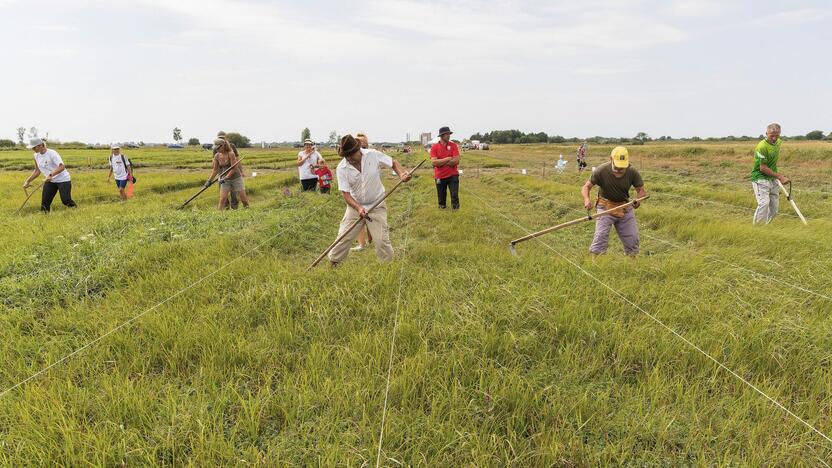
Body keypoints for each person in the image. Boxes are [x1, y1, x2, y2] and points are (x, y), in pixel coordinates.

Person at [328, 134, 412, 266]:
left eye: (351, 155)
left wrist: (402, 174)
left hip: (377, 204)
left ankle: (388, 267)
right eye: (346, 156)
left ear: (358, 149)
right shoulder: (342, 168)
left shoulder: (372, 155)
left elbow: (393, 163)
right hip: (355, 207)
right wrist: (358, 208)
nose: (349, 158)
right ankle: (335, 263)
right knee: (343, 237)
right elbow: (346, 195)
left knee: (381, 240)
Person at [581, 146, 647, 256]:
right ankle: (595, 263)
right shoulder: (601, 170)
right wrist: (587, 200)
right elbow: (586, 187)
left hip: (624, 207)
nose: (620, 169)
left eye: (622, 167)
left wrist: (637, 200)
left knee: (632, 237)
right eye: (617, 166)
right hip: (605, 206)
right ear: (611, 159)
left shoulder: (632, 172)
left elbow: (641, 191)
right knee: (601, 236)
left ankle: (633, 263)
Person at [22, 138, 77, 213]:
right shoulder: (36, 155)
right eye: (32, 147)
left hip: (63, 180)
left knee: (66, 200)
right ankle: (44, 219)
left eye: (34, 147)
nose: (32, 149)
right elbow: (37, 171)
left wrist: (51, 175)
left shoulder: (52, 153)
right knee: (44, 204)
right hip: (50, 181)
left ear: (41, 145)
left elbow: (61, 167)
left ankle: (76, 210)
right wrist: (28, 181)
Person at [751, 123, 789, 225]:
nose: (774, 138)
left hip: (772, 178)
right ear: (766, 133)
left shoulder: (778, 142)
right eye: (771, 135)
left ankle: (765, 228)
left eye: (777, 135)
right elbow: (763, 168)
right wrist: (780, 176)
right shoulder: (762, 147)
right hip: (760, 178)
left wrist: (777, 177)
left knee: (774, 209)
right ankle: (756, 229)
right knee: (764, 203)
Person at [205, 138, 249, 210]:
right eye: (215, 148)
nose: (216, 150)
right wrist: (209, 181)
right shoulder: (217, 156)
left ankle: (248, 212)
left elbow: (234, 168)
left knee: (243, 198)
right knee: (222, 199)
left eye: (218, 148)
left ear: (223, 146)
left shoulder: (231, 154)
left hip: (236, 178)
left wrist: (226, 177)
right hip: (225, 179)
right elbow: (215, 170)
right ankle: (219, 217)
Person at [430, 126, 461, 210]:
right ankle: (442, 211)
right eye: (446, 134)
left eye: (449, 134)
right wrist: (448, 159)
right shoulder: (434, 147)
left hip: (453, 175)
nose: (448, 135)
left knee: (454, 195)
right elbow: (434, 162)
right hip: (440, 176)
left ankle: (456, 212)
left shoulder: (453, 145)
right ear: (441, 135)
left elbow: (456, 161)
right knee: (441, 198)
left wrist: (440, 162)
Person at [351, 133, 373, 251]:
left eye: (363, 146)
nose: (360, 149)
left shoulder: (371, 158)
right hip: (356, 196)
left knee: (370, 219)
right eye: (357, 146)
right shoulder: (351, 160)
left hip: (370, 196)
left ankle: (371, 241)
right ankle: (361, 244)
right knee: (359, 220)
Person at [215, 131, 241, 209]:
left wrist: (241, 171)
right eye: (220, 138)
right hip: (221, 173)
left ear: (225, 137)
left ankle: (234, 207)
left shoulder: (232, 146)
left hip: (232, 173)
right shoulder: (216, 148)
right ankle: (225, 207)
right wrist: (218, 176)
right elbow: (215, 162)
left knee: (233, 192)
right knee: (223, 194)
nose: (221, 139)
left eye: (222, 137)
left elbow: (236, 160)